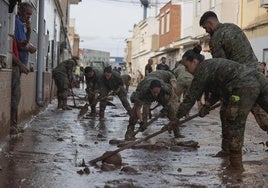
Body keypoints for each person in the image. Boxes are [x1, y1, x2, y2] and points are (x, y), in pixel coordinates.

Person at [175, 47, 268, 171]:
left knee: (234, 121)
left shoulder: (202, 70)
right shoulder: (211, 65)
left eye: (187, 66)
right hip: (260, 80)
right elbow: (220, 90)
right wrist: (207, 105)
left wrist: (176, 118)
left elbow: (191, 96)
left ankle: (235, 165)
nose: (187, 70)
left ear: (195, 62)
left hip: (244, 87)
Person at [199, 11, 268, 155]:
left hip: (240, 83)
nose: (206, 31)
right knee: (263, 113)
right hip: (258, 77)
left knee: (227, 113)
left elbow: (221, 70)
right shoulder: (234, 27)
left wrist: (209, 101)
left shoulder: (216, 38)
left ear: (210, 24)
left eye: (206, 28)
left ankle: (228, 149)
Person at [10, 2, 36, 135]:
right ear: (19, 10)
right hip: (16, 63)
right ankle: (12, 126)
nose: (28, 17)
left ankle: (14, 125)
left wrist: (30, 31)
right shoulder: (17, 23)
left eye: (30, 15)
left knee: (16, 95)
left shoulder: (23, 25)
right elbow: (20, 45)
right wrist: (29, 47)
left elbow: (23, 43)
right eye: (27, 14)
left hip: (20, 64)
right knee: (15, 95)